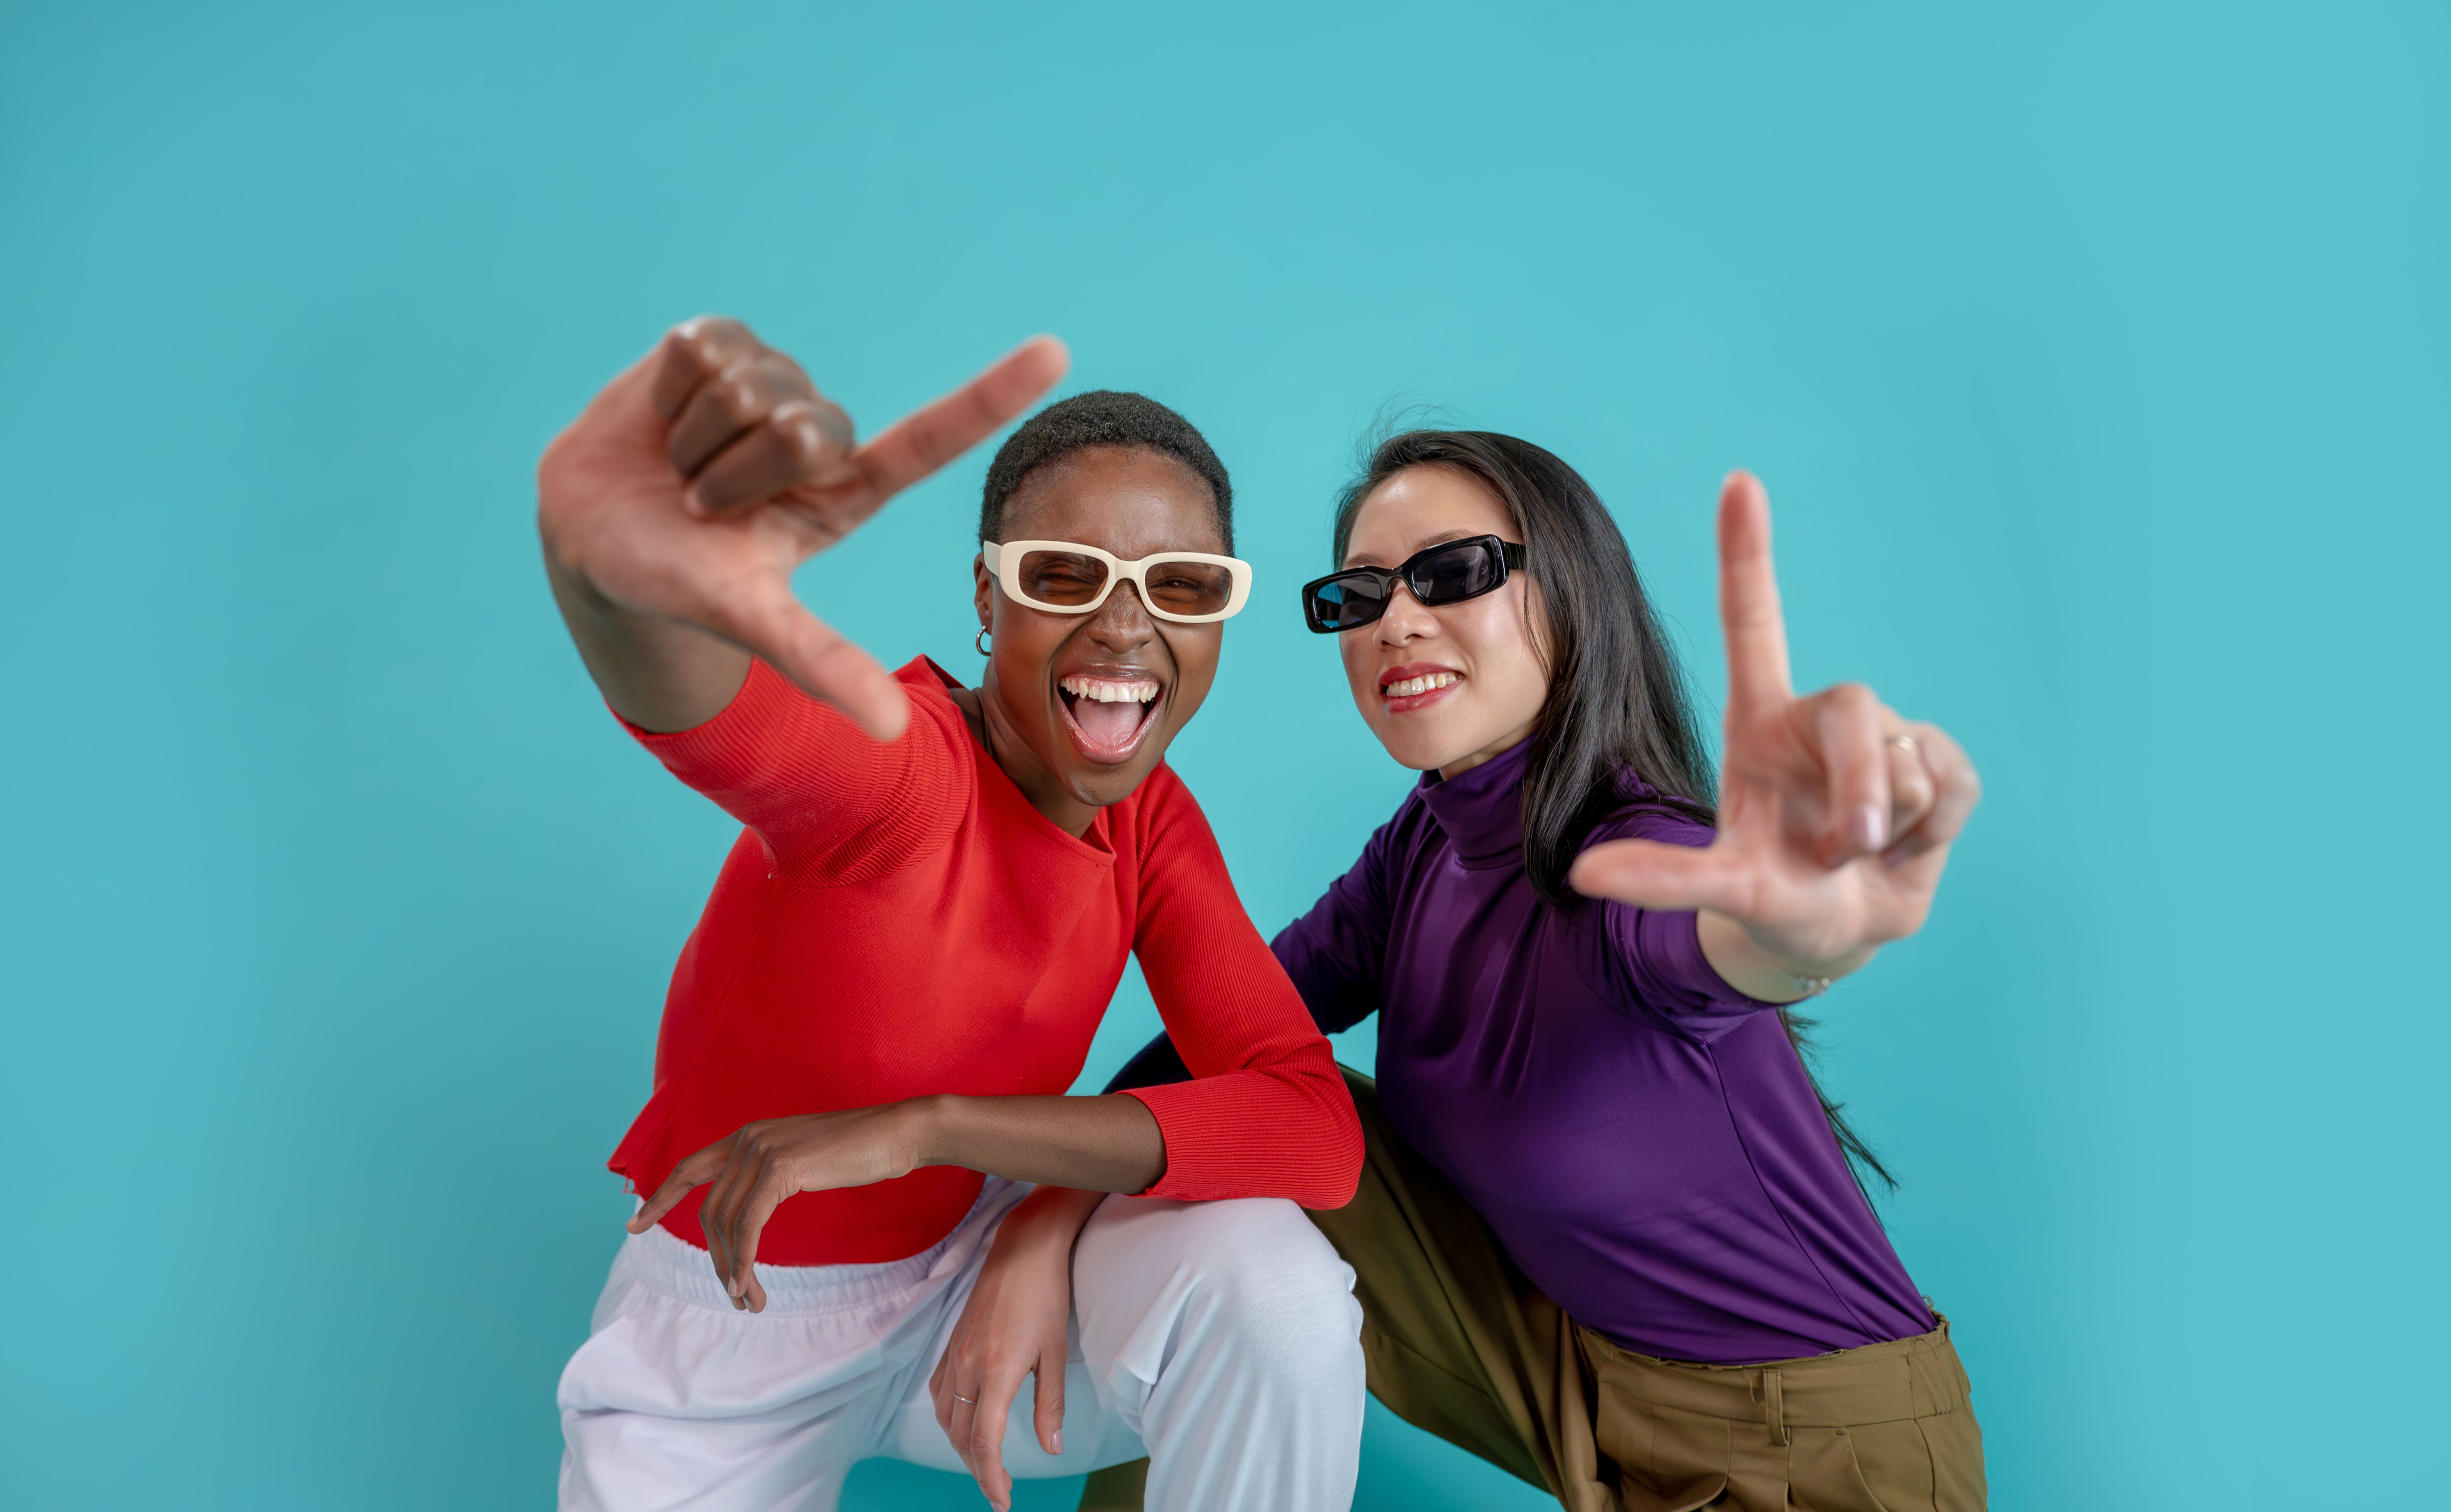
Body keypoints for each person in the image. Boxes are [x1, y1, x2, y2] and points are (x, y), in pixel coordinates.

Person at [1057, 432, 1987, 1510]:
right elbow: (1219, 1042)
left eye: (1453, 572)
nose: (1395, 620)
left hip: (1813, 1446)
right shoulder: (1422, 845)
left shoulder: (1637, 863)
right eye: (1359, 594)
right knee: (1224, 1141)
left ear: (1570, 595)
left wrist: (1812, 923)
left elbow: (1737, 941)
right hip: (1566, 1369)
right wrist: (1045, 1213)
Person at [537, 316, 1367, 1512]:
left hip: (967, 1289)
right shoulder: (902, 767)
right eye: (1064, 575)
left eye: (1180, 587)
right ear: (989, 597)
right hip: (739, 1317)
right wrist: (612, 579)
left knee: (1270, 1287)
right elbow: (737, 727)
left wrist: (947, 1136)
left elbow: (1308, 1124)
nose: (1127, 629)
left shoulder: (1149, 820)